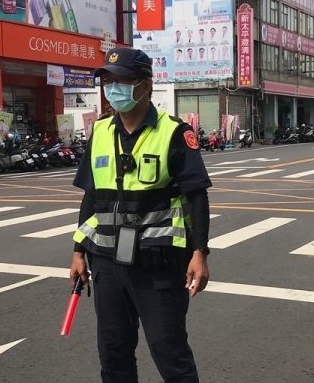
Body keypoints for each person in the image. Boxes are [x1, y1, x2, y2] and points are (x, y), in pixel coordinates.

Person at [70, 47, 212, 383]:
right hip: (106, 263)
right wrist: (78, 251)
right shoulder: (100, 133)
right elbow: (91, 196)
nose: (113, 88)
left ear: (146, 84)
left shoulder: (175, 133)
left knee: (171, 354)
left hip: (158, 264)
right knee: (113, 354)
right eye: (108, 81)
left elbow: (197, 196)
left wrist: (200, 253)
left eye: (123, 80)